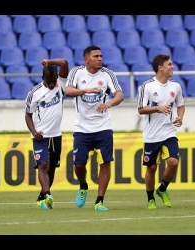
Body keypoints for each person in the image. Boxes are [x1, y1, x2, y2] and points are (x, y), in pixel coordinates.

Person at [65, 45, 124, 211]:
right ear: (86, 59)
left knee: (105, 163)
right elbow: (68, 91)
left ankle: (99, 201)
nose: (100, 59)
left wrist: (109, 103)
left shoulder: (107, 74)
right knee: (78, 165)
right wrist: (87, 90)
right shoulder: (76, 72)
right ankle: (83, 186)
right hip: (82, 128)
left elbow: (119, 94)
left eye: (101, 56)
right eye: (96, 56)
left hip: (103, 126)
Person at [137, 54, 185, 209]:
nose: (172, 67)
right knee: (151, 168)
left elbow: (181, 105)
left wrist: (179, 117)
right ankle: (150, 198)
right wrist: (157, 107)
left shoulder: (175, 86)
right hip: (152, 135)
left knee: (173, 162)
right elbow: (141, 109)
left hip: (169, 131)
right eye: (170, 64)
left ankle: (162, 189)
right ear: (160, 67)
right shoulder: (147, 86)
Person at [25, 58, 68, 209]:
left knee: (52, 168)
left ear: (57, 77)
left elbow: (64, 63)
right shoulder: (35, 92)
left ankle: (42, 196)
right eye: (48, 81)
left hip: (56, 135)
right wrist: (34, 131)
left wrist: (49, 61)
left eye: (53, 80)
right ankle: (48, 195)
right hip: (40, 136)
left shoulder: (61, 85)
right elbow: (28, 115)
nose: (51, 84)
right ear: (43, 78)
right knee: (43, 164)